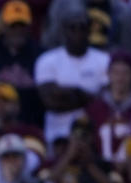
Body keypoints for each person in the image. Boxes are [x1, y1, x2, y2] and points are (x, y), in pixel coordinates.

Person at [35, 9, 110, 145]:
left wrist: (69, 92)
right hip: (57, 132)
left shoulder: (104, 60)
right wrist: (85, 96)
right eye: (72, 28)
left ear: (89, 31)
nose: (78, 32)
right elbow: (51, 102)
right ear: (64, 31)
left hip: (94, 131)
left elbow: (105, 101)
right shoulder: (47, 60)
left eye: (82, 27)